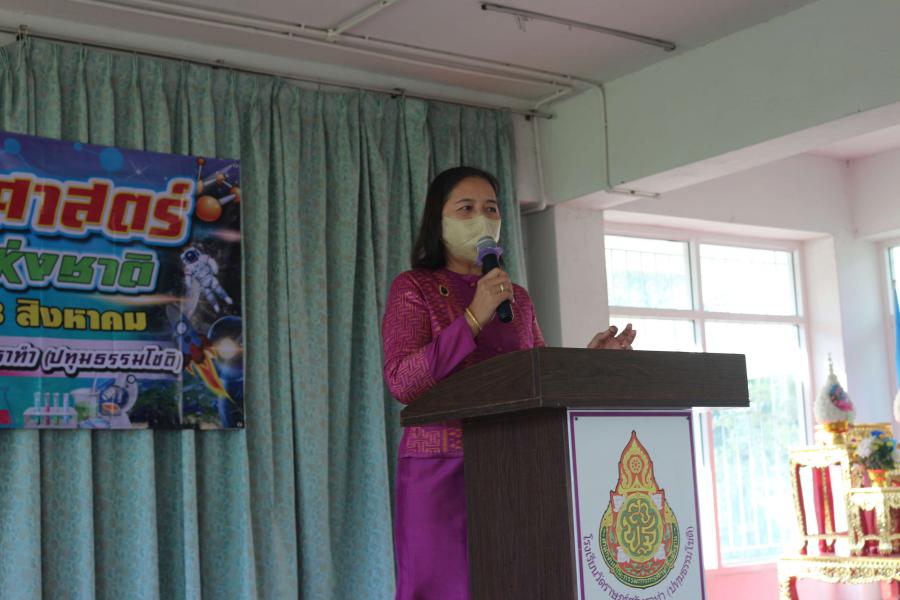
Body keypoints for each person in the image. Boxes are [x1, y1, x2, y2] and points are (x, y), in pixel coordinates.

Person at [381, 166, 636, 600]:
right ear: (438, 221)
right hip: (442, 469)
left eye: (491, 209)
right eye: (466, 209)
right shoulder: (415, 287)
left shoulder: (516, 298)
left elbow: (537, 379)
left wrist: (590, 363)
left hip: (516, 466)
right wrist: (473, 317)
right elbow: (403, 381)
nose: (482, 219)